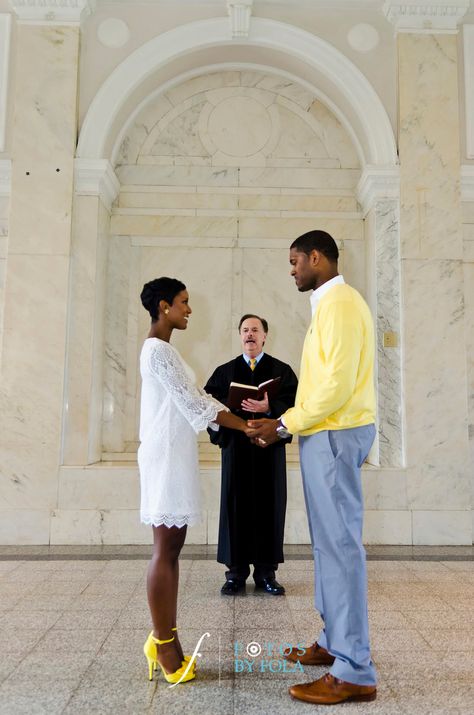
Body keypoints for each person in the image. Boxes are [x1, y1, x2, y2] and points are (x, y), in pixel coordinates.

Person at [248, 231, 377, 705]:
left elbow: (336, 386)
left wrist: (284, 422)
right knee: (328, 542)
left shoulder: (340, 303)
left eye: (295, 261)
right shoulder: (329, 304)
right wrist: (291, 424)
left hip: (336, 432)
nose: (292, 270)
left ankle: (355, 669)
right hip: (324, 432)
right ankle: (333, 641)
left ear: (316, 257)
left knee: (341, 547)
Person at [138, 277, 252, 684]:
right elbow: (193, 402)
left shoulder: (163, 350)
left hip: (173, 454)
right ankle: (164, 646)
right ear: (164, 306)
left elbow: (194, 398)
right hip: (165, 457)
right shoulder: (159, 351)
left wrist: (239, 419)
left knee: (171, 547)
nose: (189, 310)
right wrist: (246, 425)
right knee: (165, 549)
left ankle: (163, 639)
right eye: (184, 303)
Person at [204, 314, 297, 596]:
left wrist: (270, 408)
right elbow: (208, 407)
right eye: (245, 330)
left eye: (255, 330)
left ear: (265, 335)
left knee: (269, 507)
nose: (250, 335)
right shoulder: (225, 372)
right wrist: (232, 416)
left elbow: (295, 408)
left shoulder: (282, 371)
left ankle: (267, 573)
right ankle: (235, 573)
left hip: (268, 451)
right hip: (237, 451)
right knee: (236, 507)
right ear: (239, 335)